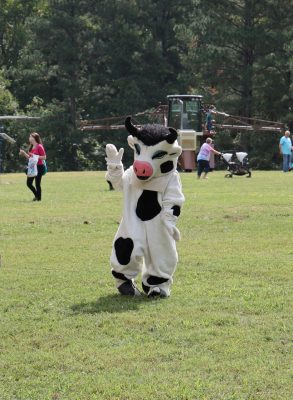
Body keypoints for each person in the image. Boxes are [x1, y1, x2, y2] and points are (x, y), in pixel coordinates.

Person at [19, 132, 46, 201]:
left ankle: (38, 198)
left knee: (37, 184)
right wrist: (24, 153)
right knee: (29, 183)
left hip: (39, 167)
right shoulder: (31, 147)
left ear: (34, 138)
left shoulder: (39, 146)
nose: (29, 138)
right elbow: (29, 157)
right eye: (29, 137)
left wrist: (36, 156)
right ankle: (37, 196)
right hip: (32, 167)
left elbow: (44, 157)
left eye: (30, 137)